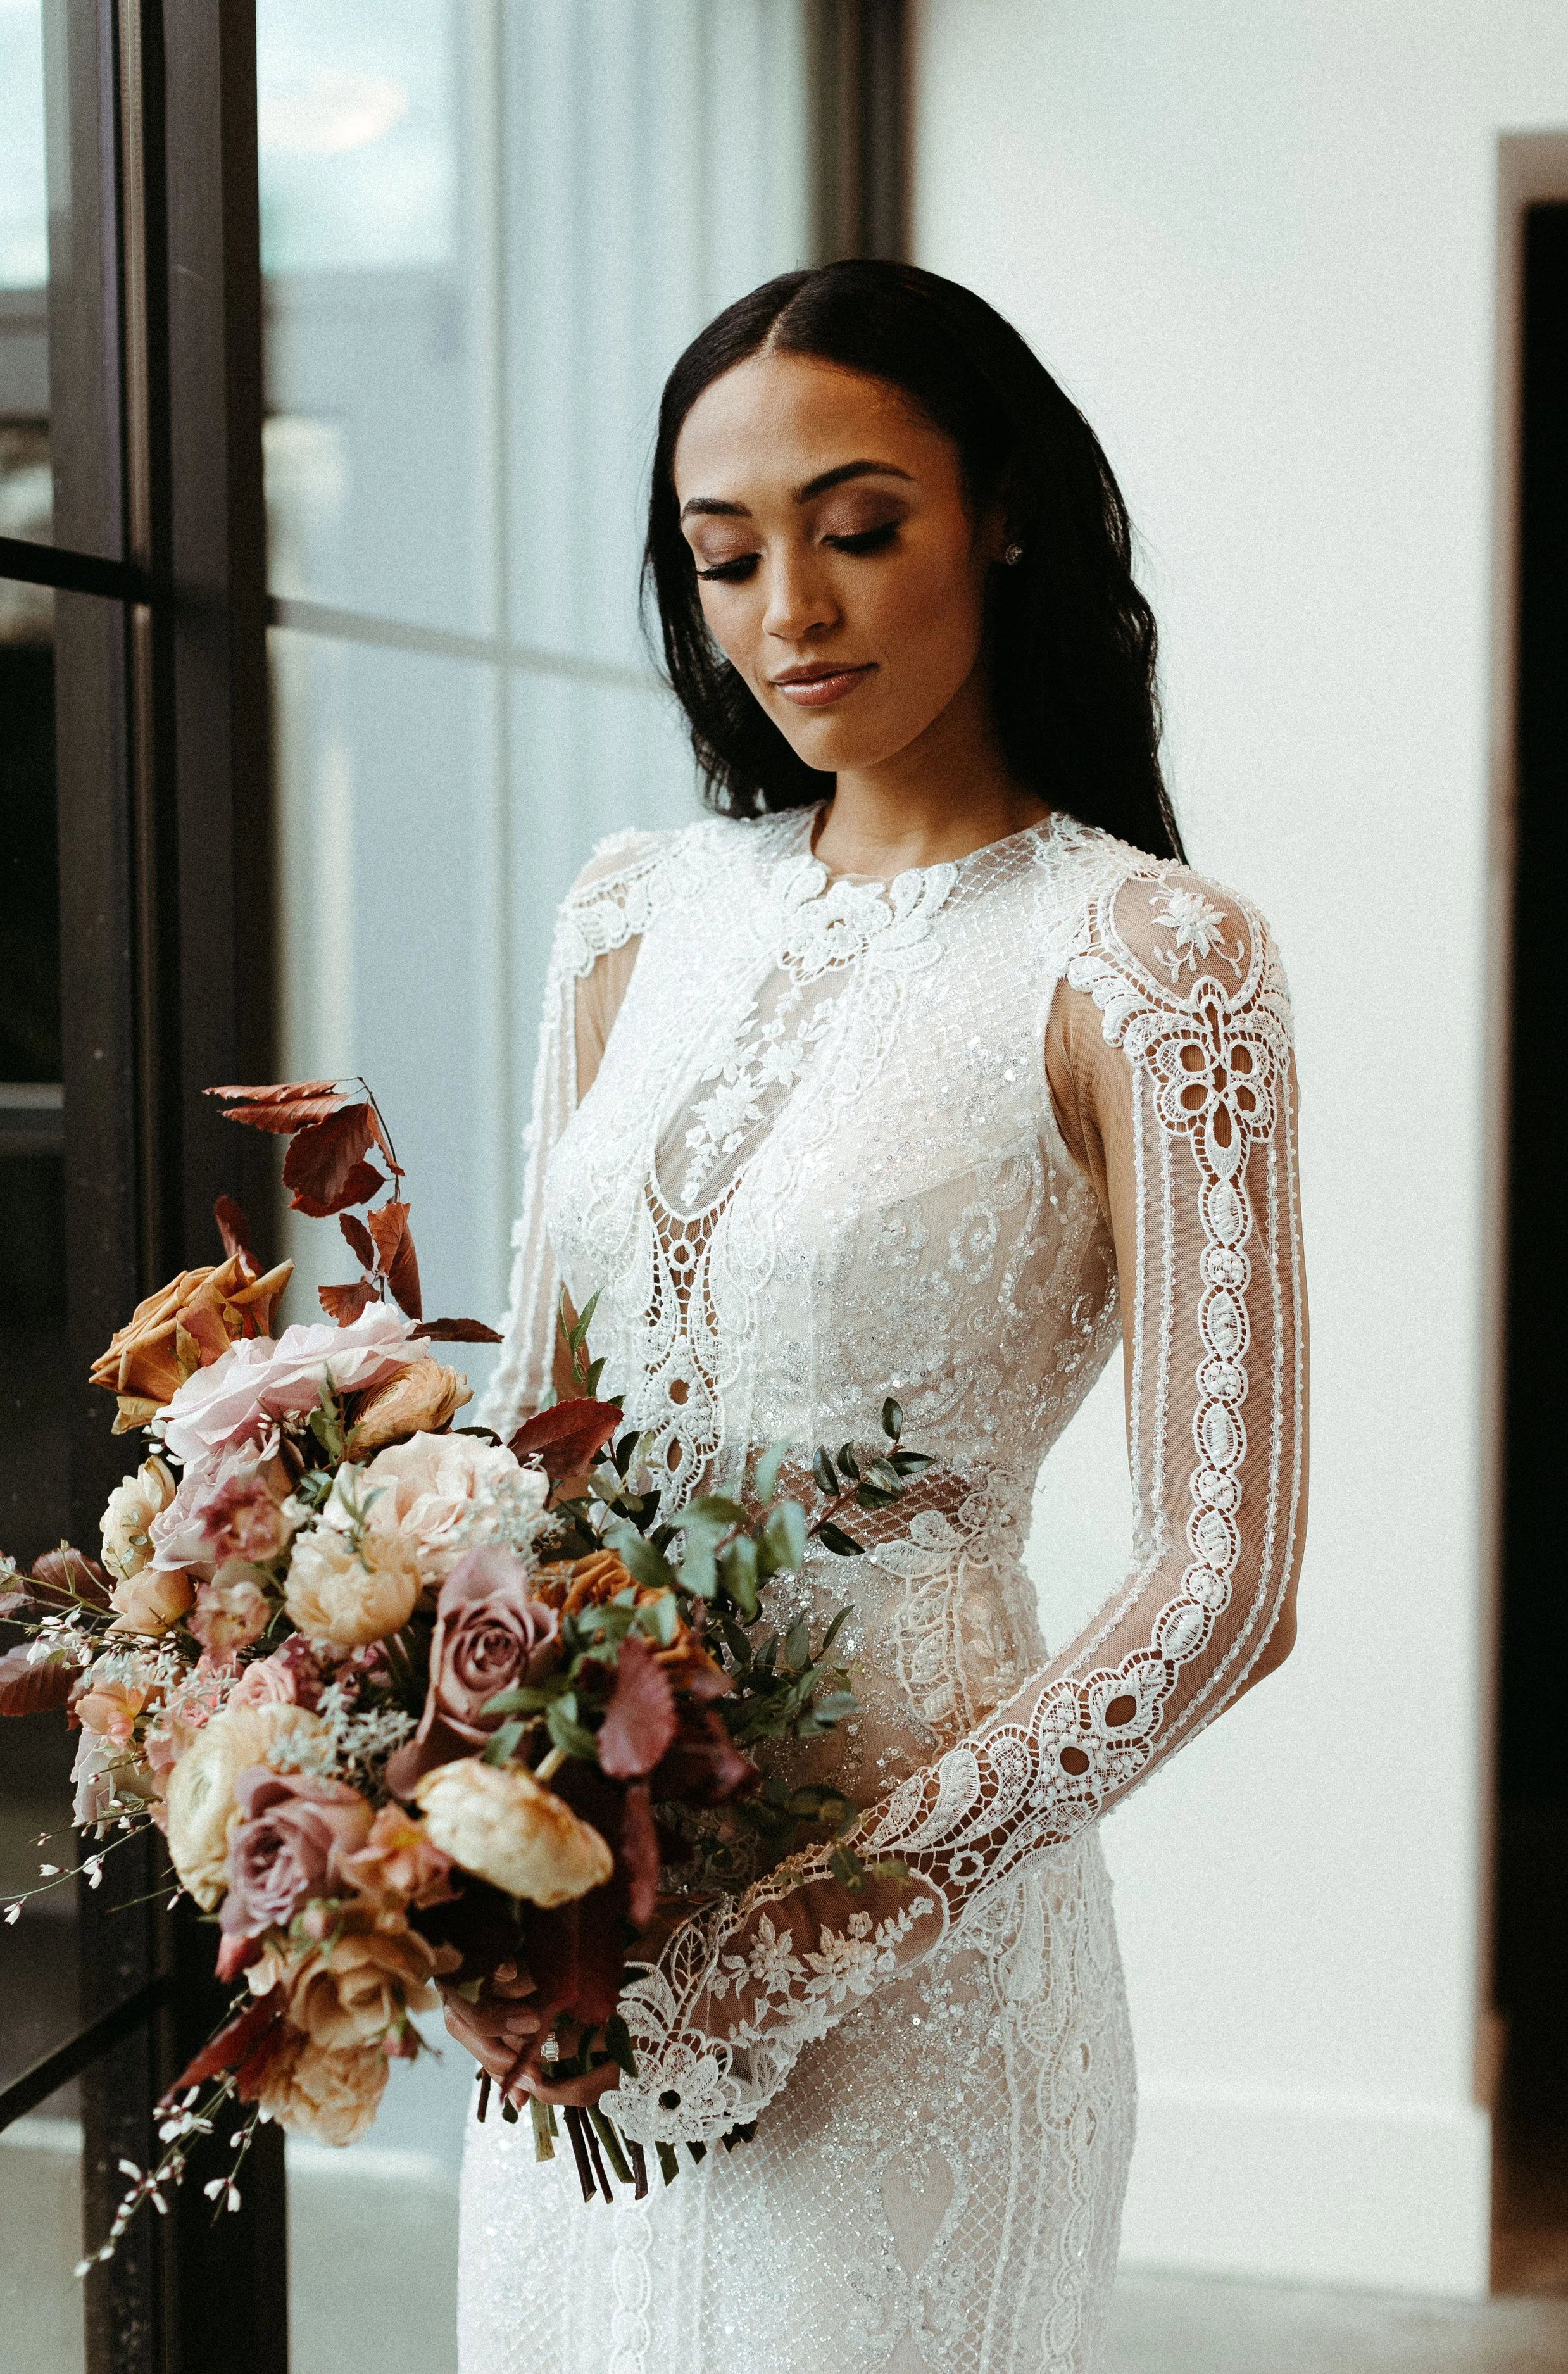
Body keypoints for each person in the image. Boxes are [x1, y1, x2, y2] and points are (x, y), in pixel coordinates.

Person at [456, 260, 1308, 2374]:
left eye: (856, 530)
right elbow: (525, 1415)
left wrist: (800, 1941)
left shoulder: (1147, 956)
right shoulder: (631, 907)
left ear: (1000, 511)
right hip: (586, 1930)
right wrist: (443, 1810)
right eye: (725, 557)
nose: (789, 617)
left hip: (912, 1956)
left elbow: (1227, 1575)